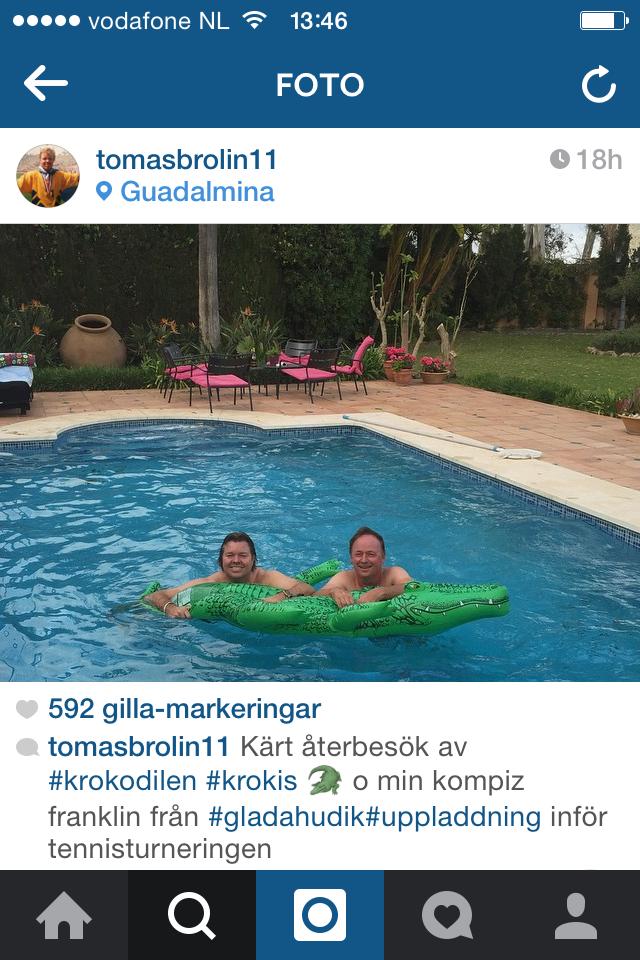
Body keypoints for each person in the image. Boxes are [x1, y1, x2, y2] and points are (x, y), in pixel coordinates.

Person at [144, 532, 315, 619]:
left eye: (243, 555)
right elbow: (155, 595)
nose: (236, 561)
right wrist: (171, 608)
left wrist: (282, 595)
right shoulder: (212, 582)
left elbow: (306, 588)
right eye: (230, 555)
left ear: (253, 559)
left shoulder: (268, 578)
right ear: (221, 560)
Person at [317, 527, 413, 608]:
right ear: (351, 558)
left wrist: (382, 592)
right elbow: (316, 594)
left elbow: (414, 587)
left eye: (371, 554)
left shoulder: (394, 573)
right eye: (358, 554)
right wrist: (333, 591)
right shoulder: (344, 578)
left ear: (383, 557)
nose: (364, 560)